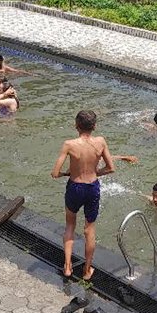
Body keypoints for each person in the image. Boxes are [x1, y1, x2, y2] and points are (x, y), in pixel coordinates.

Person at [51, 110, 115, 279]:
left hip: (75, 187)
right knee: (89, 229)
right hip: (92, 188)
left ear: (76, 125)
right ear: (94, 126)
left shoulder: (69, 144)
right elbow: (111, 168)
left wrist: (67, 173)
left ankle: (67, 267)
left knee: (70, 226)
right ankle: (87, 271)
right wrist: (95, 172)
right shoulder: (101, 142)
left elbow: (55, 173)